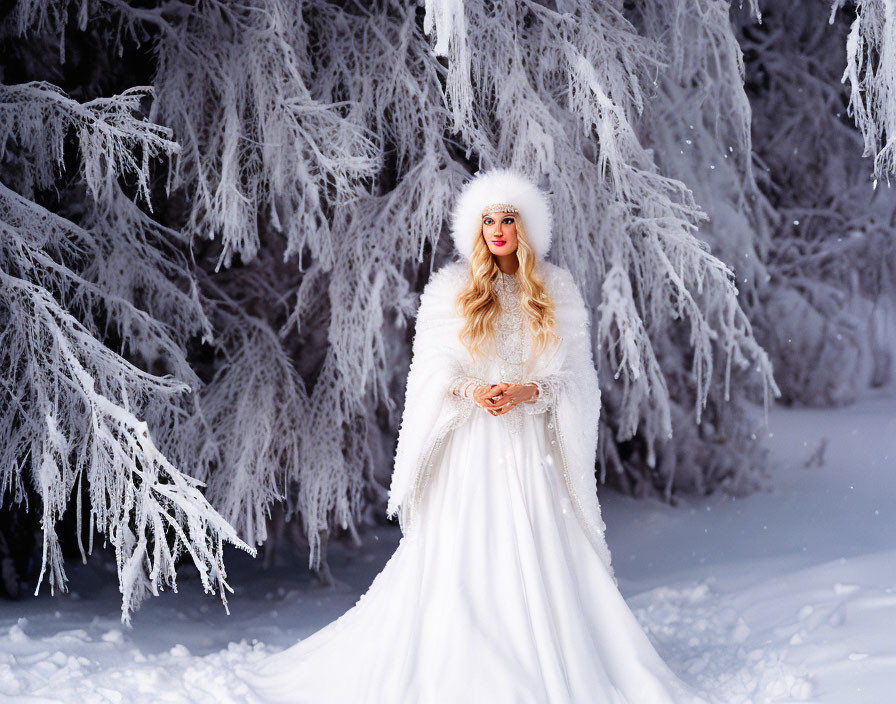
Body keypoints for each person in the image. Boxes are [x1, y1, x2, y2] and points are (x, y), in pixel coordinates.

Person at [237, 168, 710, 703]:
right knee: (464, 554)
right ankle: (463, 666)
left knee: (538, 551)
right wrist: (470, 390)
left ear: (526, 226)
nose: (499, 230)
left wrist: (530, 391)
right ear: (475, 229)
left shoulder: (557, 290)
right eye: (489, 221)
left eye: (508, 219)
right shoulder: (450, 290)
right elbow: (430, 372)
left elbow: (577, 377)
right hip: (470, 450)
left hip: (531, 452)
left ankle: (536, 659)